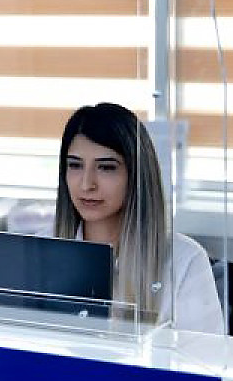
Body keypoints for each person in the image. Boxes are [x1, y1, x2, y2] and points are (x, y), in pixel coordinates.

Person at [54, 103, 224, 335]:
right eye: (75, 165)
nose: (86, 184)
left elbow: (203, 355)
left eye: (106, 168)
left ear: (136, 175)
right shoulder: (41, 249)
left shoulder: (184, 261)